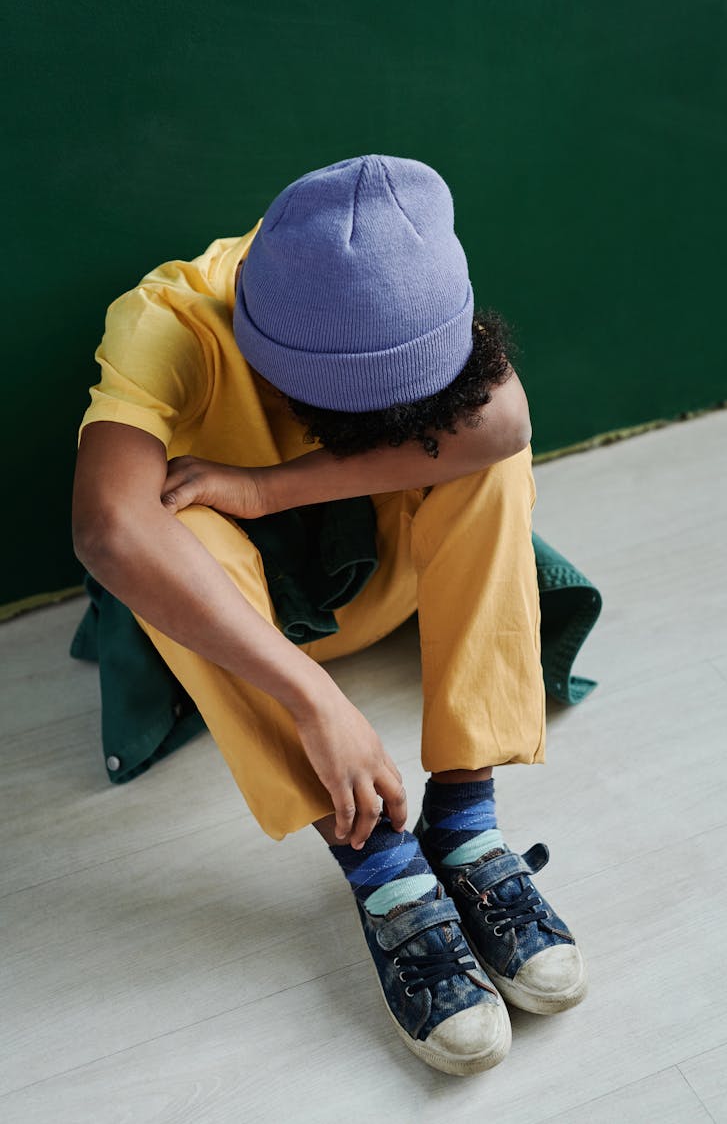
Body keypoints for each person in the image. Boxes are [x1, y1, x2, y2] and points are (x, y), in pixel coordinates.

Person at [71, 153, 587, 1077]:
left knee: (488, 461)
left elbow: (502, 422)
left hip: (384, 584)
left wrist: (268, 487)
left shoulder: (401, 275)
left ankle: (464, 823)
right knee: (171, 521)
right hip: (251, 628)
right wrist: (316, 698)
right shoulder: (171, 321)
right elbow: (107, 528)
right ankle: (384, 869)